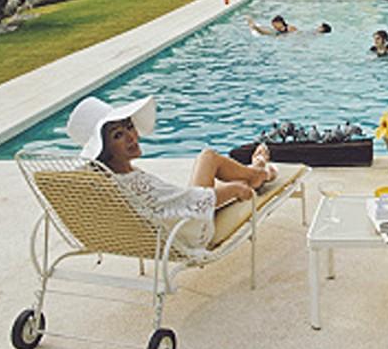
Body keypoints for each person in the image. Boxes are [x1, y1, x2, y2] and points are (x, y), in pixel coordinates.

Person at [66, 95, 276, 253]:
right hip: (188, 233)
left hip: (165, 230)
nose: (131, 136)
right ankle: (258, 172)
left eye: (129, 126)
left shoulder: (109, 181)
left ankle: (255, 170)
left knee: (208, 159)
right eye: (118, 135)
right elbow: (191, 203)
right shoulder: (138, 184)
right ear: (105, 150)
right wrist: (235, 189)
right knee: (212, 160)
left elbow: (176, 201)